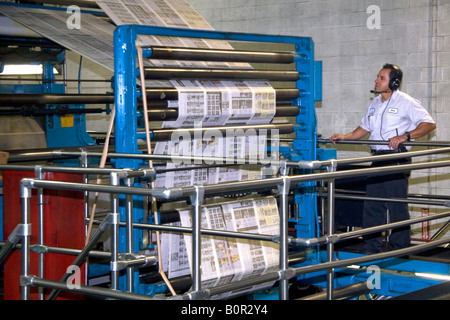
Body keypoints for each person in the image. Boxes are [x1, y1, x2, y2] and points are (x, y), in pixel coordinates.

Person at [329, 64, 436, 254]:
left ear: (393, 82)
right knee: (372, 203)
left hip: (396, 158)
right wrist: (345, 136)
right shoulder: (375, 103)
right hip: (378, 157)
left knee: (396, 203)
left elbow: (429, 124)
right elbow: (364, 129)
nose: (376, 81)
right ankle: (371, 245)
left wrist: (406, 136)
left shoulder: (405, 101)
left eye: (382, 78)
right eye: (377, 77)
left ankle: (400, 246)